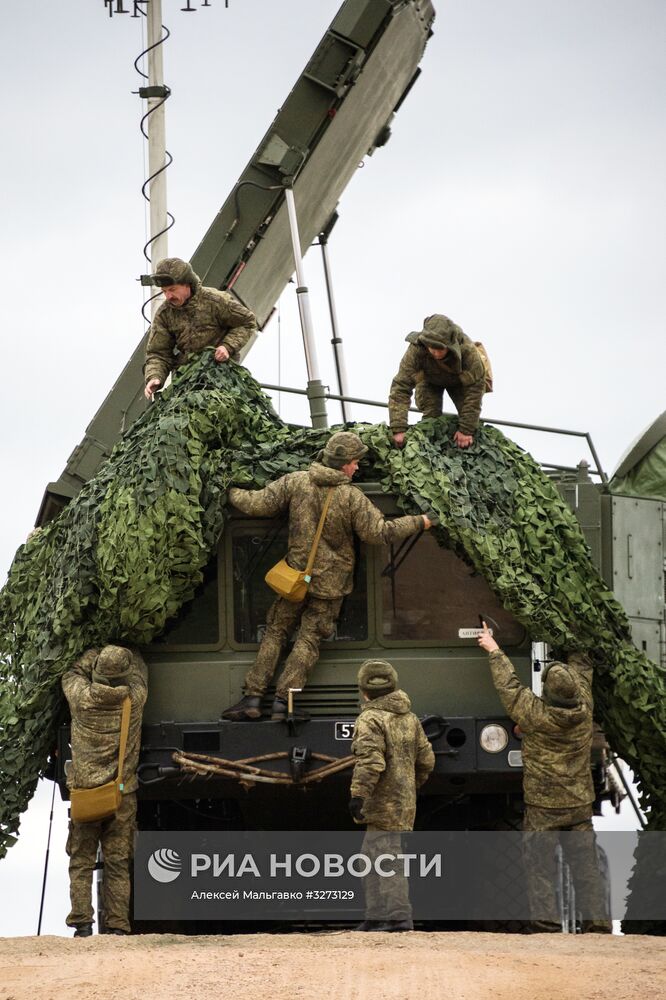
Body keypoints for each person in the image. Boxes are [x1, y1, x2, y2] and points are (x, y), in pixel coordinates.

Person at [222, 432, 433, 722]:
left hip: (294, 579)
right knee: (309, 640)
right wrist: (420, 521)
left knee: (275, 631)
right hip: (330, 587)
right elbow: (379, 533)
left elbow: (257, 504)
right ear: (342, 463)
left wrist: (227, 489)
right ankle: (285, 705)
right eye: (354, 462)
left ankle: (253, 697)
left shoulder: (296, 482)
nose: (357, 468)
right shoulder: (351, 497)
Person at [477, 624, 611, 932]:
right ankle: (599, 927)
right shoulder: (584, 707)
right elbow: (583, 667)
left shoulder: (536, 716)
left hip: (543, 808)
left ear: (548, 693)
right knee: (586, 866)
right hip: (579, 803)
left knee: (540, 867)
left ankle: (547, 926)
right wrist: (576, 635)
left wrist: (492, 648)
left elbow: (509, 686)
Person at [62, 644, 148, 937]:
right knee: (118, 862)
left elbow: (73, 671)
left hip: (86, 796)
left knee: (81, 861)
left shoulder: (81, 698)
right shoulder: (134, 699)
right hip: (121, 795)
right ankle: (118, 926)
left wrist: (96, 652)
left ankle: (83, 924)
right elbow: (139, 666)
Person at [348, 659, 435, 932]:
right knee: (371, 856)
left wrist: (358, 795)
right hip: (403, 801)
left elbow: (371, 762)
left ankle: (399, 917)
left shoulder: (370, 719)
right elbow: (427, 759)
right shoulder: (409, 718)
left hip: (381, 802)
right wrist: (411, 786)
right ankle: (375, 917)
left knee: (387, 859)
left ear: (364, 691)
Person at [143, 257, 257, 399]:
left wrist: (227, 347)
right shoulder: (165, 314)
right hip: (187, 384)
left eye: (172, 289)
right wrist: (155, 377)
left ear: (187, 285)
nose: (168, 296)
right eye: (164, 291)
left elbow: (247, 322)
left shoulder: (215, 301)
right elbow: (158, 353)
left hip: (223, 379)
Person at [388, 313, 488, 449]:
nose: (435, 352)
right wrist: (398, 428)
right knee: (431, 421)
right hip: (429, 381)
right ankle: (430, 450)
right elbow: (401, 386)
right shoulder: (416, 349)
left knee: (472, 425)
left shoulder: (468, 351)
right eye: (431, 347)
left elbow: (475, 391)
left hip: (460, 382)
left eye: (440, 348)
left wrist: (466, 430)